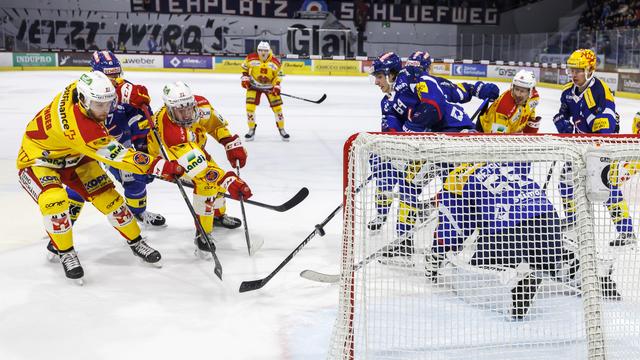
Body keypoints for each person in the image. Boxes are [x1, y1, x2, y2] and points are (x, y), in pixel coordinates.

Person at [16, 72, 184, 283]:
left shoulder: (78, 88)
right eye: (99, 105)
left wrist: (128, 91)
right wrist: (161, 167)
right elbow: (123, 157)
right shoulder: (83, 130)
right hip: (38, 160)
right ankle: (66, 252)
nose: (105, 111)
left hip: (74, 155)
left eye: (109, 103)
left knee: (110, 199)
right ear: (84, 100)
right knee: (54, 201)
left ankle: (136, 242)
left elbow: (104, 81)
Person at [429, 162, 621, 319]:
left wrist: (434, 259)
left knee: (480, 269)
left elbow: (453, 230)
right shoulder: (496, 161)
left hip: (508, 227)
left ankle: (517, 285)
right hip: (546, 217)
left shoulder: (454, 180)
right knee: (551, 262)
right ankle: (594, 276)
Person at [146, 81, 252, 257]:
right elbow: (202, 170)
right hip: (170, 161)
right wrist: (229, 181)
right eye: (180, 110)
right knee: (208, 183)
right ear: (169, 108)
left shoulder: (202, 105)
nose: (186, 113)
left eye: (189, 107)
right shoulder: (169, 130)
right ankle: (203, 232)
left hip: (195, 149)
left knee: (216, 176)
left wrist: (229, 142)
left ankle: (217, 215)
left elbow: (216, 125)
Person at [552, 49, 635, 246]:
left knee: (606, 187)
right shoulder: (568, 92)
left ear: (590, 70)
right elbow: (561, 115)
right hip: (580, 146)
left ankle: (626, 231)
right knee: (565, 183)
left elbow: (606, 125)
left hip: (602, 147)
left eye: (578, 70)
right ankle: (573, 223)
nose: (573, 75)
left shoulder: (601, 91)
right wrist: (563, 125)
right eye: (571, 70)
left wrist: (593, 133)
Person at [241, 41, 289, 141]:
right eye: (260, 50)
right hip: (254, 86)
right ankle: (251, 129)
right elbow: (244, 68)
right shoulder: (251, 58)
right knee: (249, 108)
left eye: (265, 50)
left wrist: (277, 86)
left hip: (270, 87)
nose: (263, 53)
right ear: (257, 50)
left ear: (269, 51)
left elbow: (279, 75)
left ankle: (281, 129)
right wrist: (245, 78)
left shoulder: (275, 61)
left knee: (277, 108)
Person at [477, 69, 541, 134]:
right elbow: (498, 136)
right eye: (516, 89)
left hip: (512, 132)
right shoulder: (504, 107)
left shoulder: (534, 97)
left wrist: (531, 124)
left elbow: (530, 111)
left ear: (530, 92)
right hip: (486, 133)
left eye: (522, 91)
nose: (518, 94)